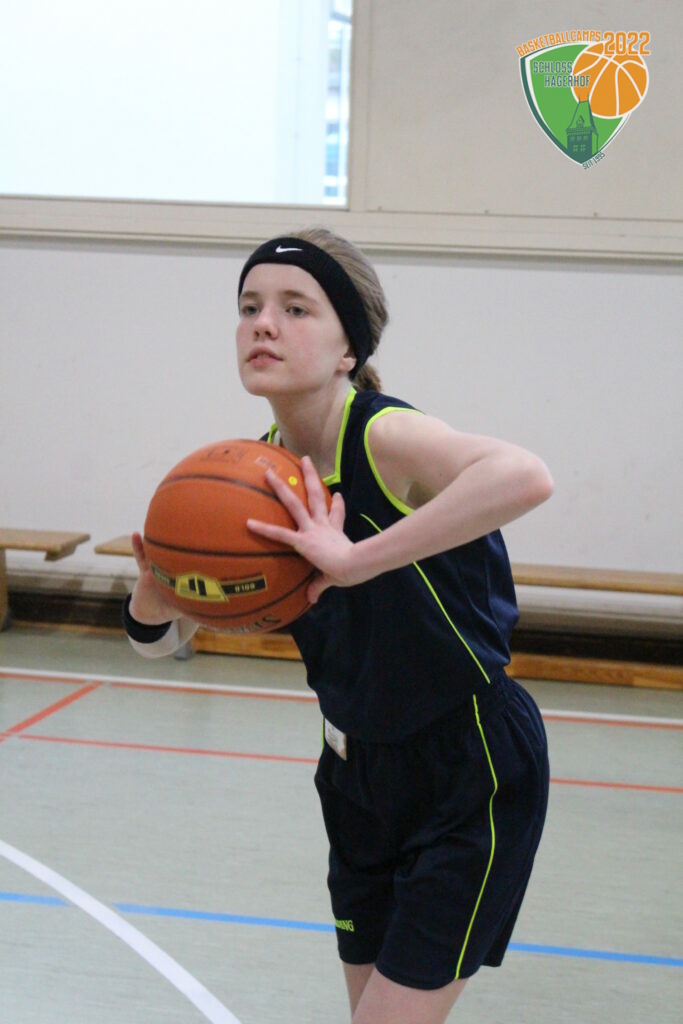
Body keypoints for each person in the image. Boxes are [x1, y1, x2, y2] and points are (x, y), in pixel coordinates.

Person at [123, 227, 554, 1024]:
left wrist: (357, 558)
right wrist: (157, 594)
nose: (263, 324)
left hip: (467, 762)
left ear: (348, 346)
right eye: (249, 307)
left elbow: (525, 476)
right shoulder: (251, 474)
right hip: (355, 773)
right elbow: (158, 643)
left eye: (295, 309)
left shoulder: (382, 436)